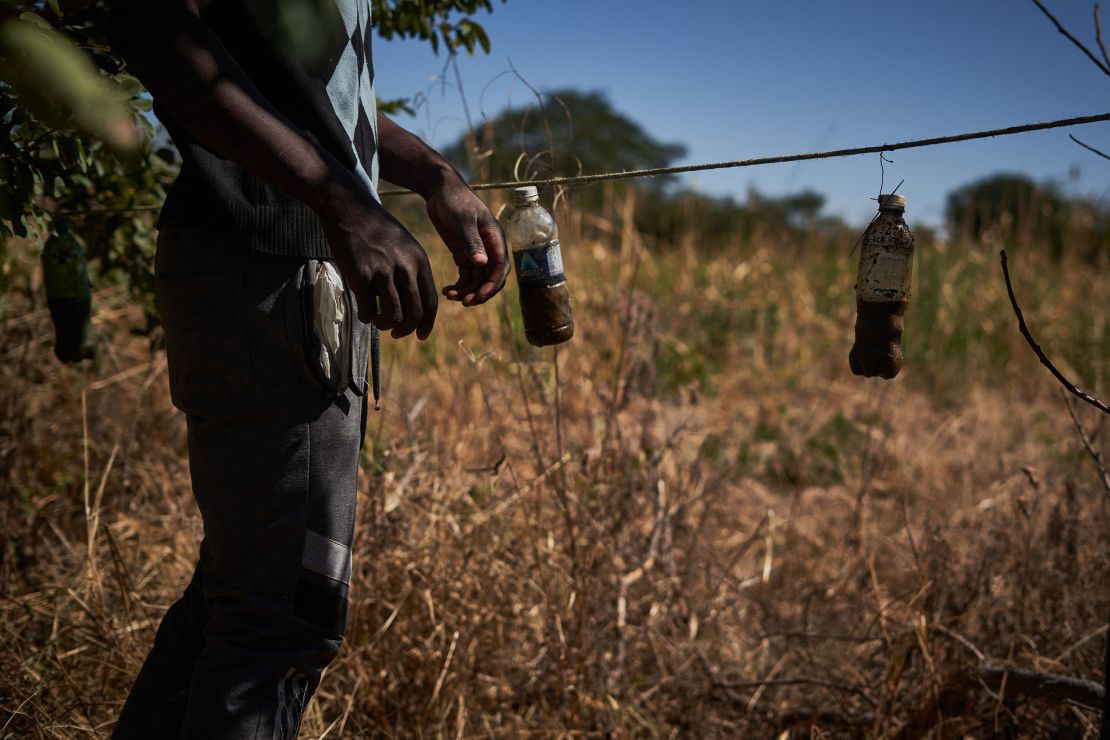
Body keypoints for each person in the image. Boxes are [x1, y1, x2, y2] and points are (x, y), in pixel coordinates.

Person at [105, 1, 509, 737]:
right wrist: (342, 204)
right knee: (284, 617)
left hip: (289, 270)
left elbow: (314, 99)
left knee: (239, 599)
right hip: (270, 266)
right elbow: (155, 30)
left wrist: (434, 174)